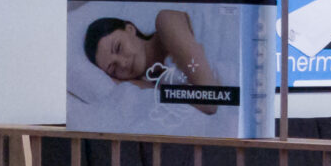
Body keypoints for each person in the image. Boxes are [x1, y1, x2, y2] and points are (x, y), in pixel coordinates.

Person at [84, 11, 225, 115]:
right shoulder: (149, 87)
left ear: (130, 29)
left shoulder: (166, 21)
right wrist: (137, 85)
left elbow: (209, 101)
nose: (123, 64)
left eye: (118, 47)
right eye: (113, 68)